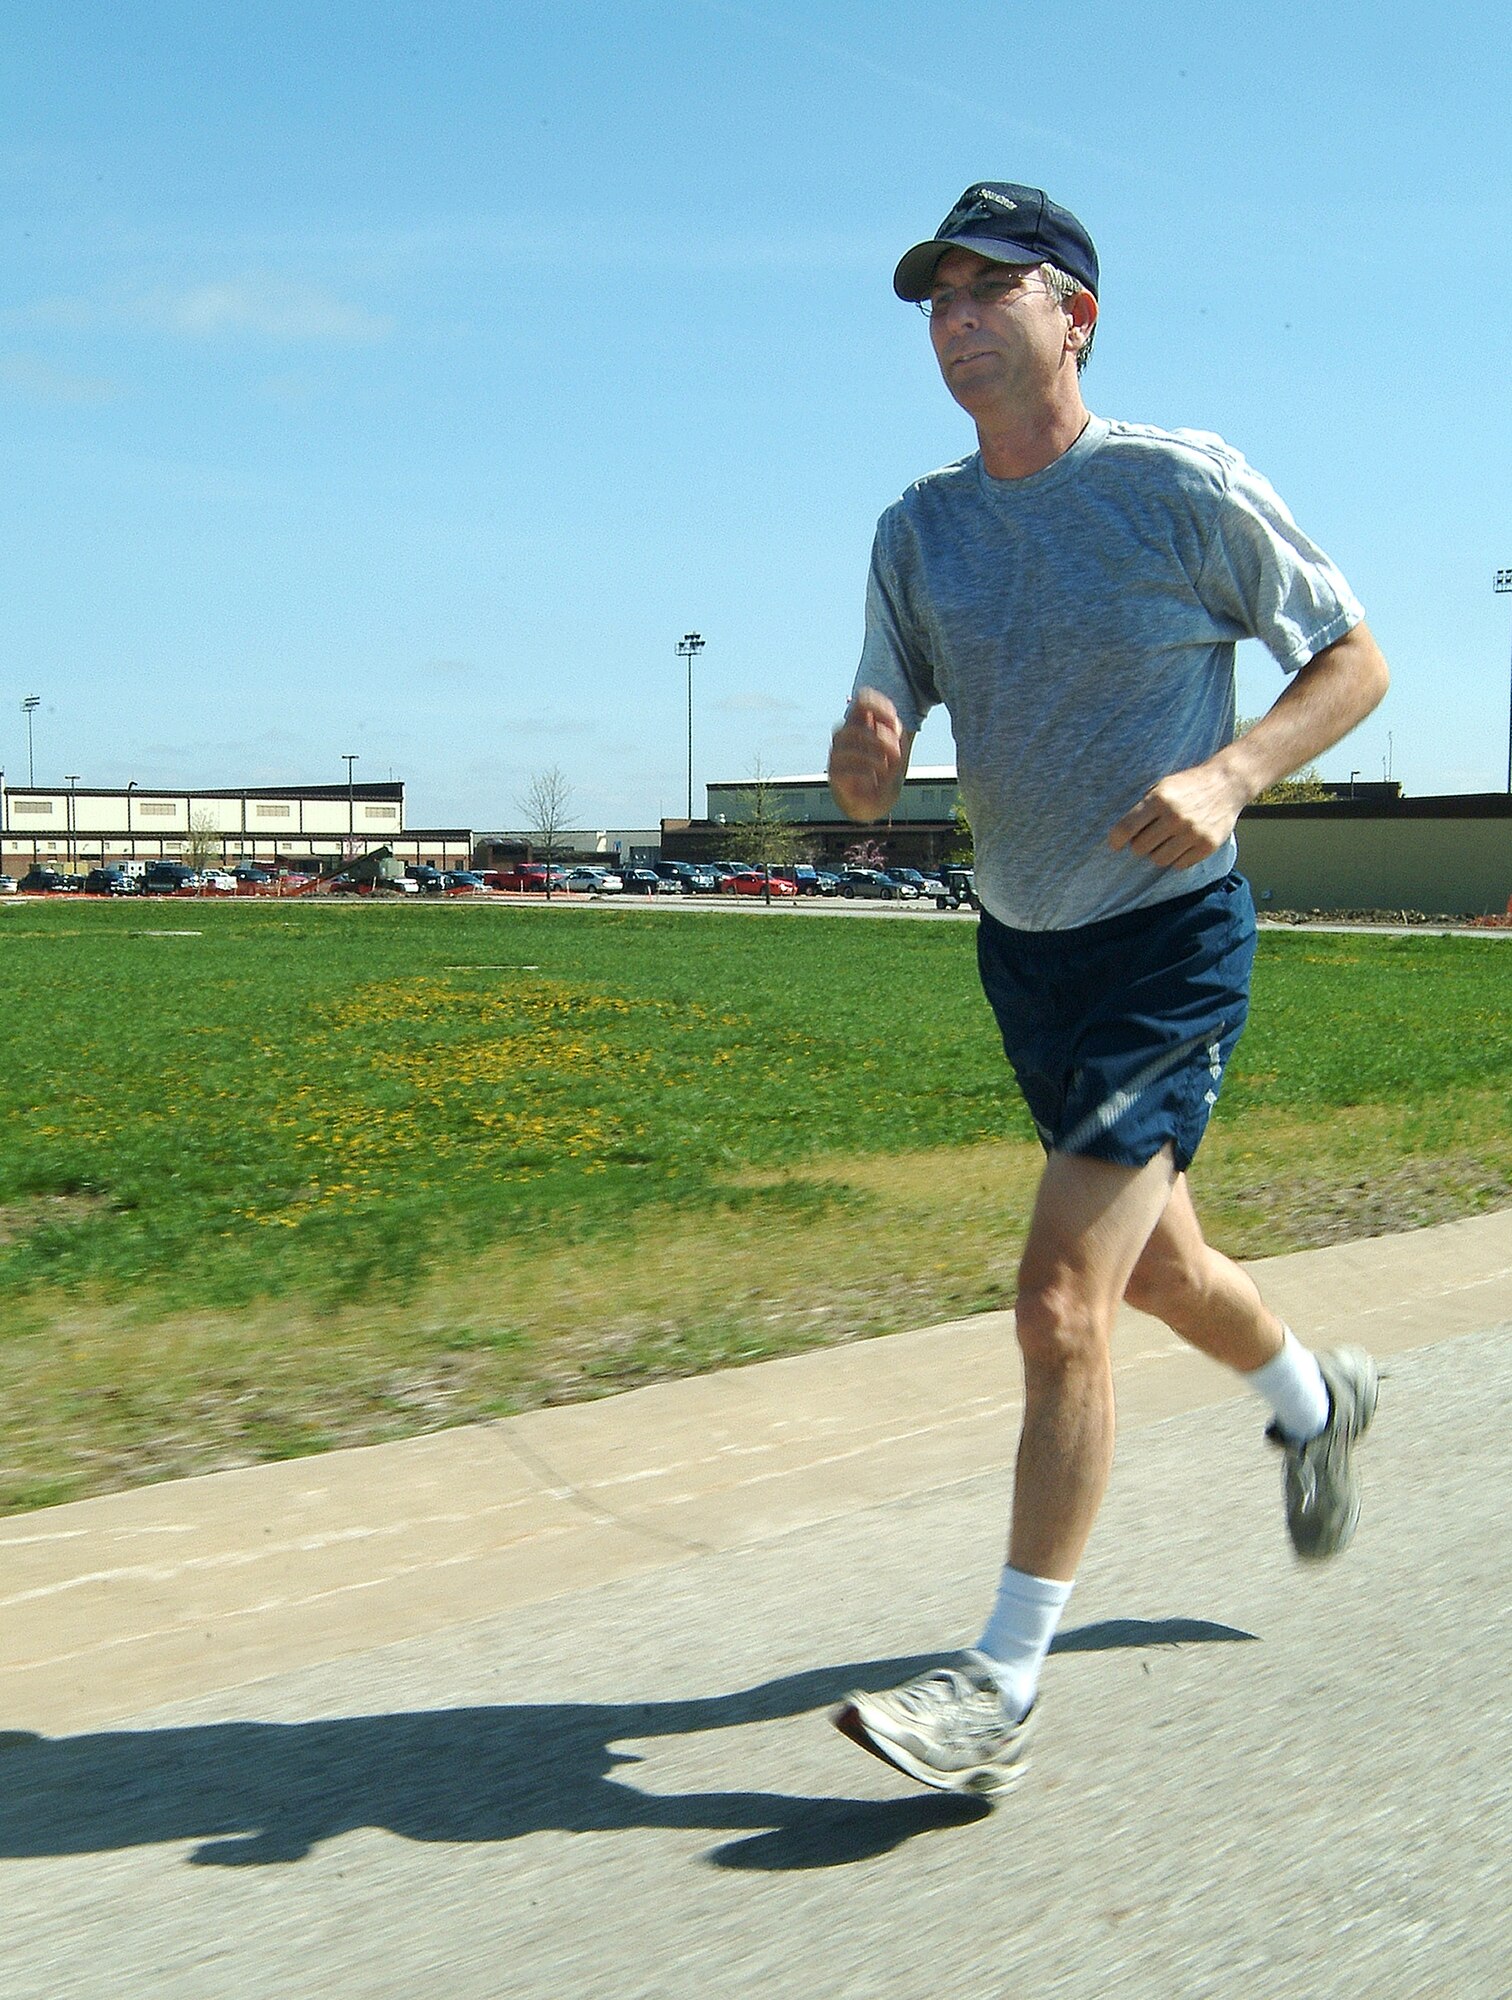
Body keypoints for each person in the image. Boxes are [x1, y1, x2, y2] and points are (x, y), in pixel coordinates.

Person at [826, 183, 1390, 1799]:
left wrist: (1229, 772)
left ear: (1074, 313)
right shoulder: (916, 528)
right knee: (1155, 1274)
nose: (953, 319)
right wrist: (867, 758)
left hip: (1166, 937)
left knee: (1059, 1297)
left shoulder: (1174, 484)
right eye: (934, 297)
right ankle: (1311, 1398)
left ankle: (999, 1683)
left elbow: (1353, 658)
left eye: (987, 289)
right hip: (1025, 945)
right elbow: (872, 763)